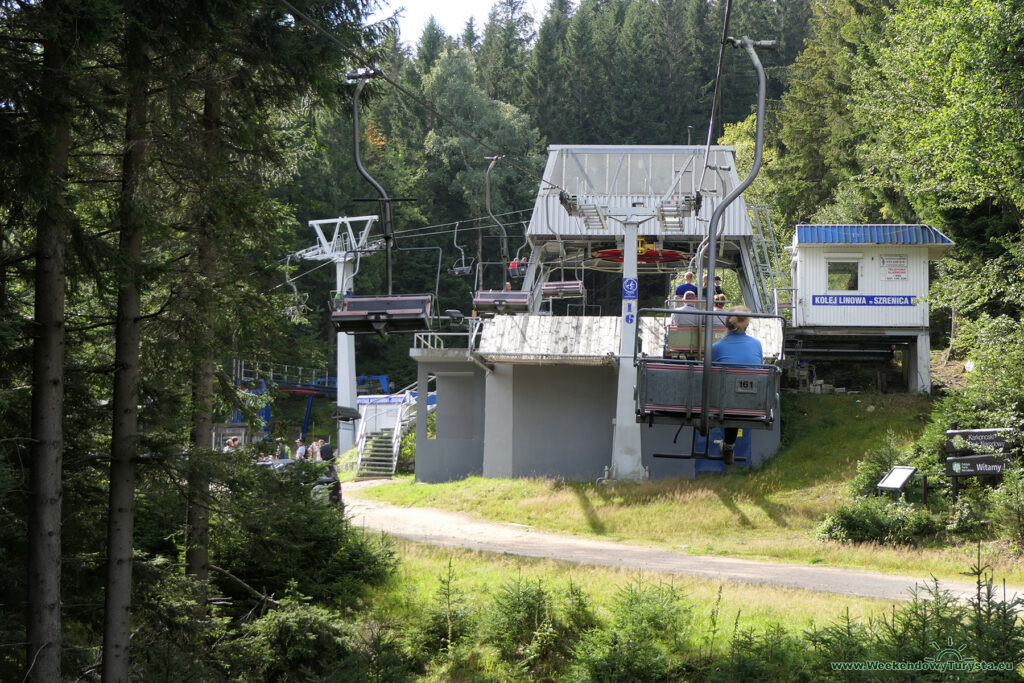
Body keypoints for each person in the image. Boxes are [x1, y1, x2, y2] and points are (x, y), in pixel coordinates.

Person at [711, 306, 763, 465]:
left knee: (729, 398)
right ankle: (728, 446)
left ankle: (727, 446)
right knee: (738, 396)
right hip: (752, 401)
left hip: (724, 403)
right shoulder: (757, 345)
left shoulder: (717, 347)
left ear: (726, 324)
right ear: (746, 325)